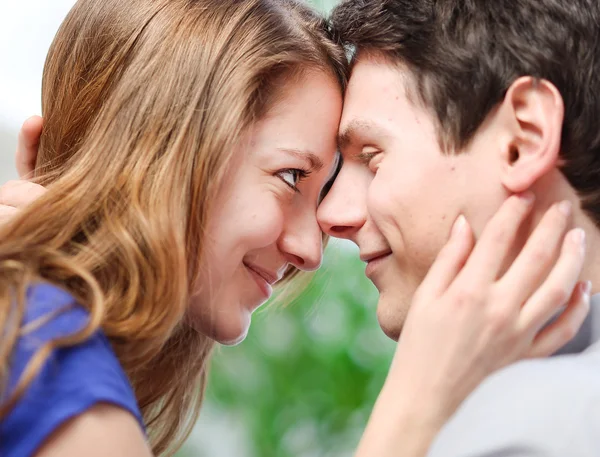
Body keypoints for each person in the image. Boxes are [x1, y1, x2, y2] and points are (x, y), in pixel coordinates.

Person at [0, 1, 590, 457]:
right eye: (290, 175)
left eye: (370, 157)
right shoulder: (55, 370)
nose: (317, 241)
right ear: (161, 151)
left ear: (526, 139)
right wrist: (412, 412)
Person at [317, 0, 600, 455]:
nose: (330, 215)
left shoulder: (544, 427)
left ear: (522, 141)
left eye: (371, 158)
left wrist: (409, 415)